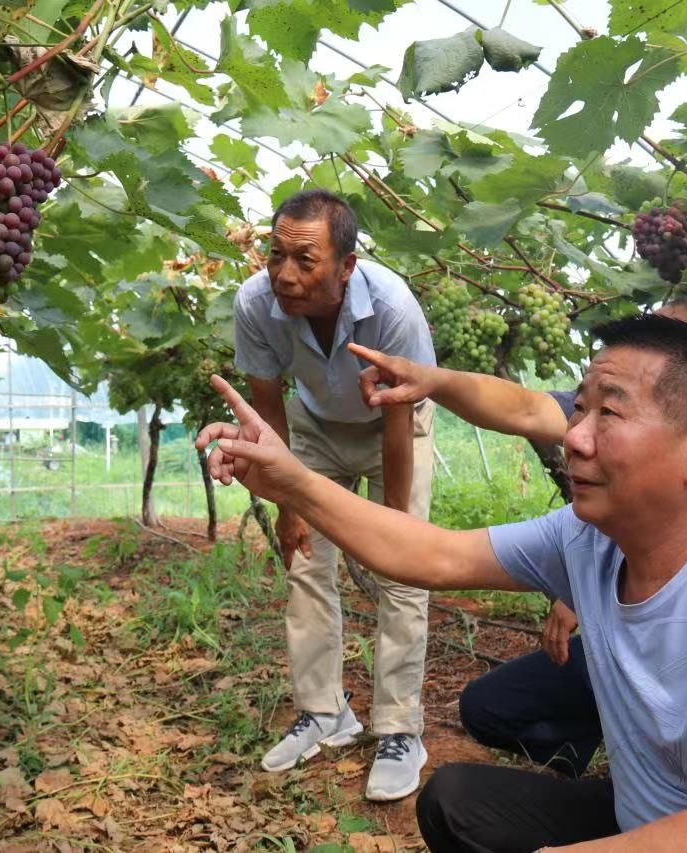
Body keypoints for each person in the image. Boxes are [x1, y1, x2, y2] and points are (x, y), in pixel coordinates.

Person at [197, 314, 687, 851]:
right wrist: (294, 481)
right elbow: (431, 554)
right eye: (578, 410)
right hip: (655, 816)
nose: (575, 437)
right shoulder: (587, 538)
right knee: (458, 802)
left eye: (609, 413)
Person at [352, 297, 687, 777]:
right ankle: (611, 763)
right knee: (485, 714)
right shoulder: (604, 424)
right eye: (583, 411)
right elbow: (523, 411)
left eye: (674, 342)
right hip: (622, 645)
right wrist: (431, 381)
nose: (578, 437)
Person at [231, 189, 437, 801]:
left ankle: (401, 727)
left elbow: (398, 418)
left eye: (305, 261)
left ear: (347, 266)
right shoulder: (254, 304)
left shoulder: (393, 307)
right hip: (312, 430)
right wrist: (288, 505)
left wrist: (394, 526)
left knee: (404, 571)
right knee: (305, 564)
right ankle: (325, 713)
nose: (284, 276)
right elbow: (267, 413)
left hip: (391, 429)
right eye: (276, 256)